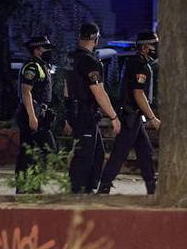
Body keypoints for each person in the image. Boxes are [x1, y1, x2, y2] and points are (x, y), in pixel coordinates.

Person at [98, 30, 161, 195]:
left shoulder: (136, 62)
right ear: (145, 47)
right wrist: (152, 117)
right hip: (131, 116)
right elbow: (138, 93)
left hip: (133, 116)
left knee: (145, 152)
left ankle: (152, 188)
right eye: (154, 44)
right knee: (120, 152)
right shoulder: (139, 64)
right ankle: (104, 185)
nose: (156, 47)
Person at [64, 22, 120, 194]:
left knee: (97, 153)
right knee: (85, 154)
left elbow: (66, 87)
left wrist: (67, 115)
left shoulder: (71, 57)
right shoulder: (90, 61)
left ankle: (88, 188)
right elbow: (99, 92)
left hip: (75, 111)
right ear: (96, 39)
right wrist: (113, 116)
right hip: (84, 112)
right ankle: (77, 191)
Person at [14, 35, 58, 194]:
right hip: (31, 113)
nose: (48, 51)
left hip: (39, 113)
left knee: (38, 150)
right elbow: (26, 92)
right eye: (46, 48)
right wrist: (32, 116)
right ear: (37, 49)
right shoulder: (32, 67)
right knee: (37, 150)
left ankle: (31, 185)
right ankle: (25, 187)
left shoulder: (41, 65)